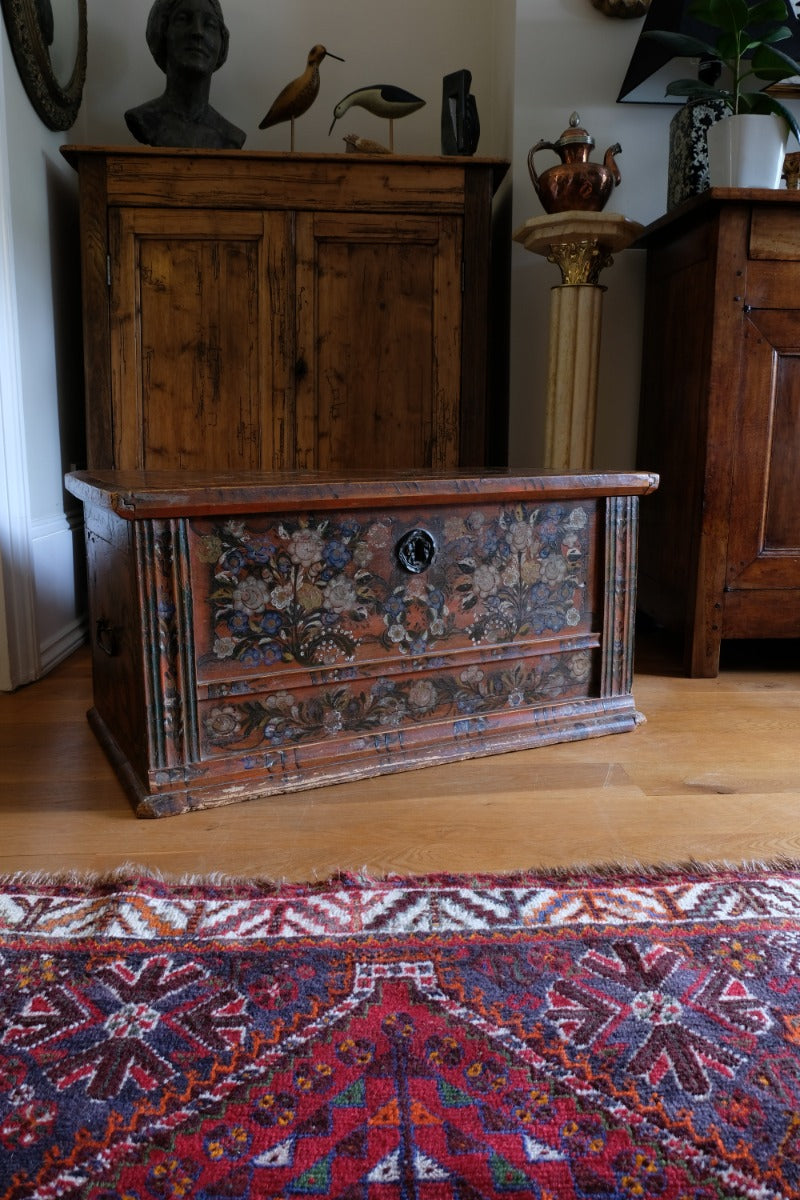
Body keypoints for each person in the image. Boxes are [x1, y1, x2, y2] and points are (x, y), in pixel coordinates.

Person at [125, 0, 245, 149]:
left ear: (222, 43)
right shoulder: (143, 119)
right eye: (183, 19)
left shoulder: (231, 137)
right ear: (163, 32)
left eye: (210, 25)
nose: (198, 32)